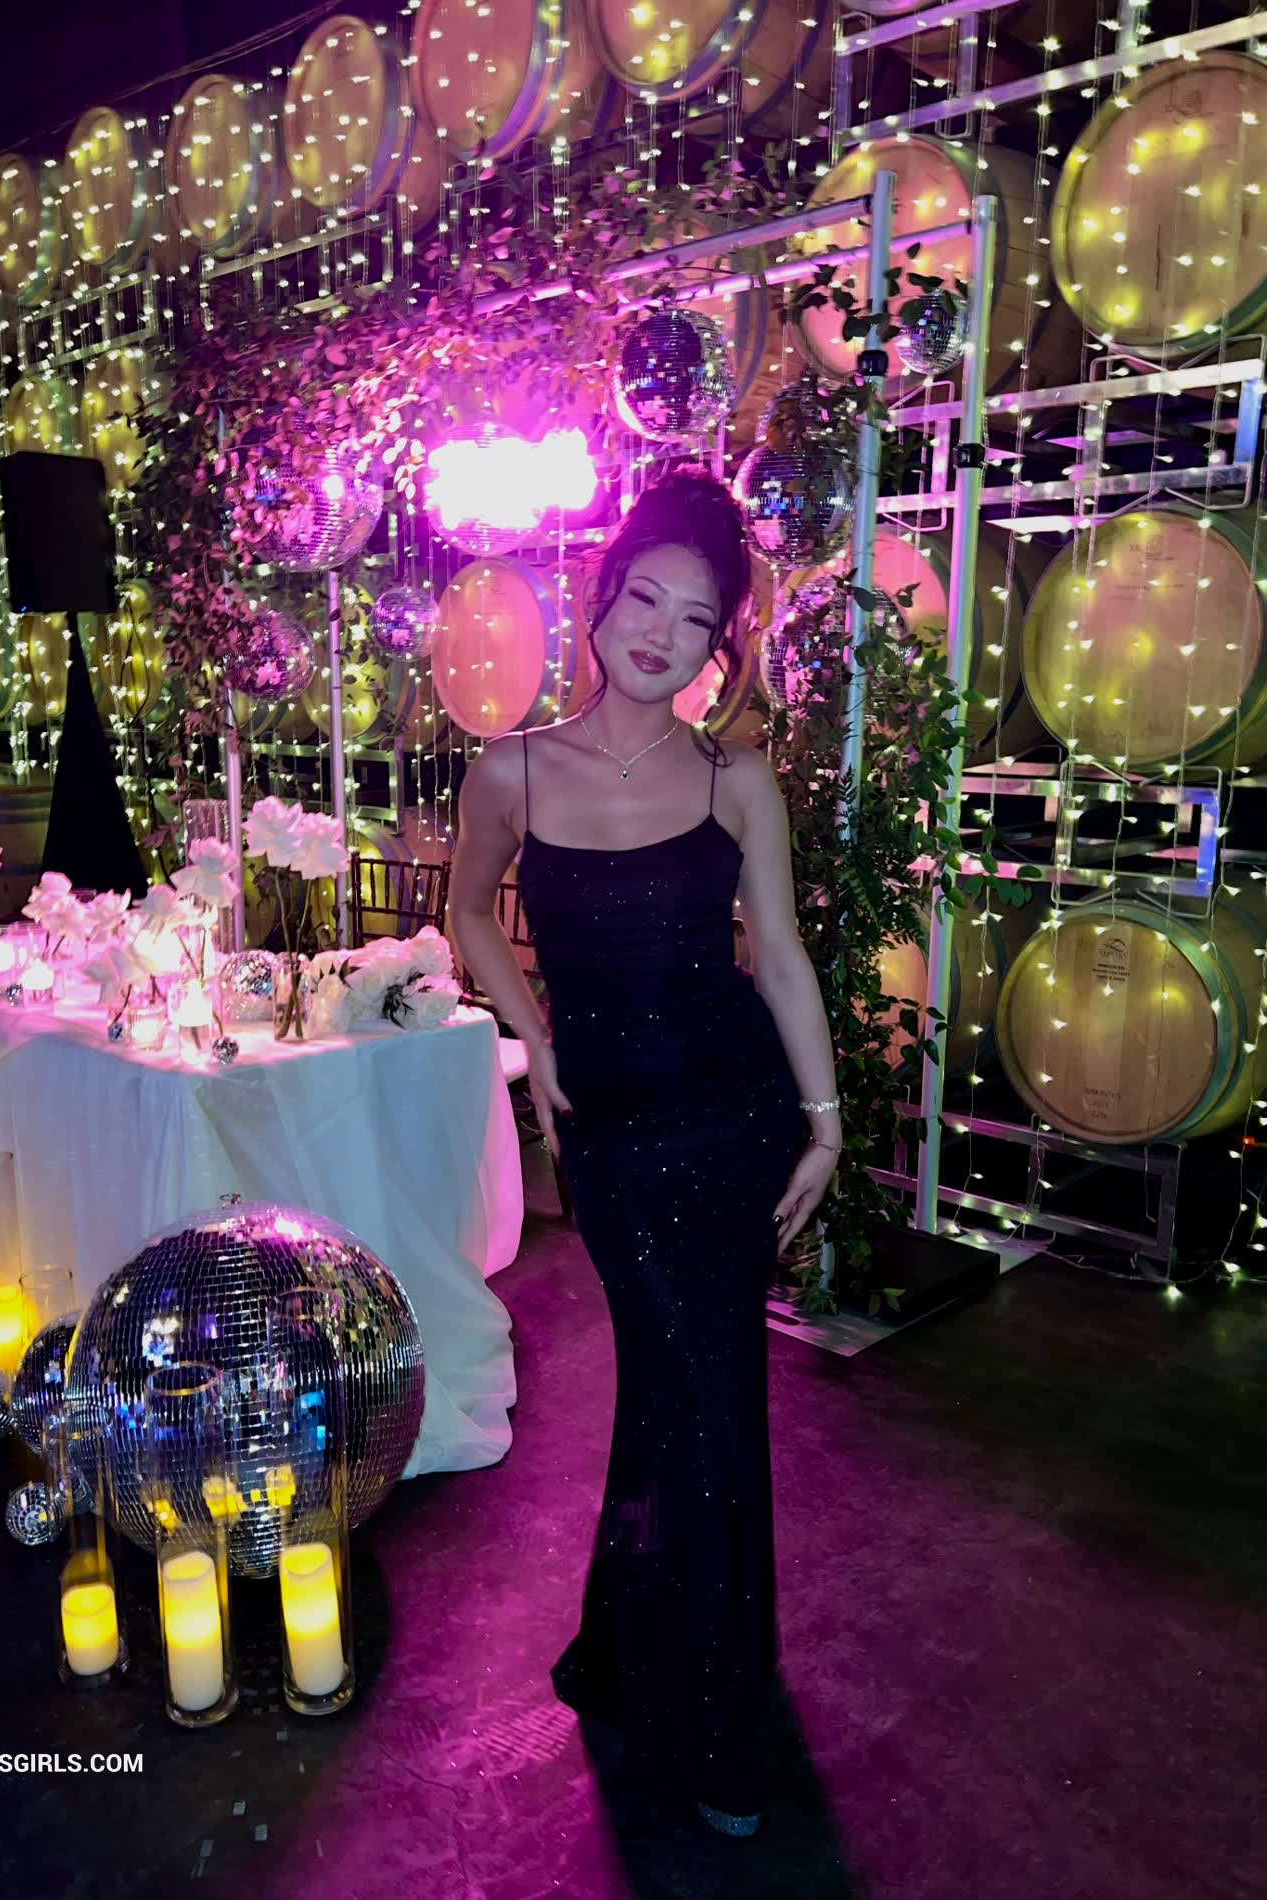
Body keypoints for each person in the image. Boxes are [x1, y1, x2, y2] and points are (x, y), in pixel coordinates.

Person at [447, 468, 841, 1837]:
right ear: (601, 600)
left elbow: (777, 960)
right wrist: (534, 1037)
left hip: (734, 1120)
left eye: (694, 619)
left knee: (703, 1402)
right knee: (685, 1398)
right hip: (611, 1136)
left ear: (717, 646)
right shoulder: (512, 768)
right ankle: (666, 1669)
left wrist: (824, 1122)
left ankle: (702, 1710)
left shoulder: (737, 781)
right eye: (644, 602)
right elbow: (471, 912)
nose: (662, 634)